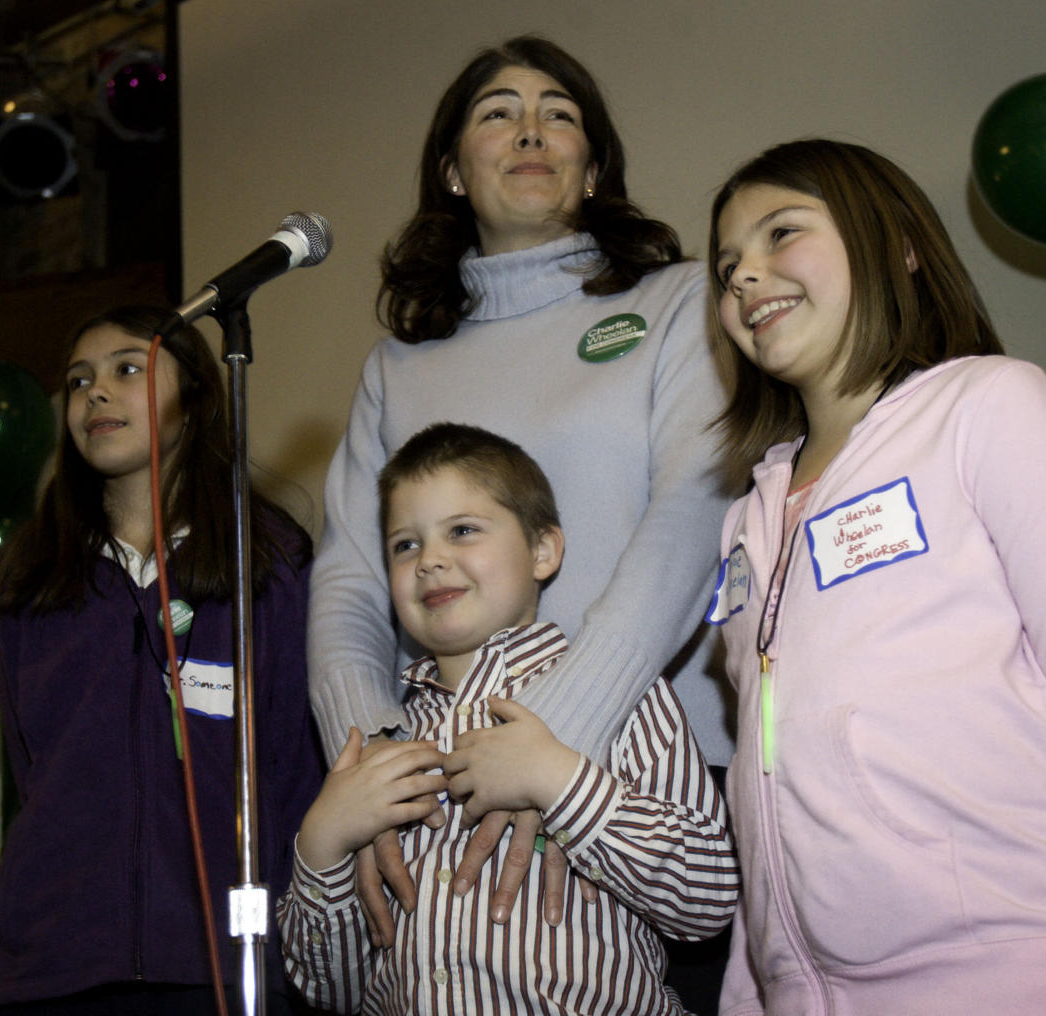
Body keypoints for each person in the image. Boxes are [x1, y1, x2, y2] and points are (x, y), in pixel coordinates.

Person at [703, 140, 1046, 1015]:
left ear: (897, 246)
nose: (745, 276)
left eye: (781, 233)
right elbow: (760, 780)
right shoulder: (747, 516)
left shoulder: (989, 407)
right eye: (726, 264)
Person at [306, 32, 733, 988]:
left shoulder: (676, 302)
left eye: (560, 113)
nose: (531, 128)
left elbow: (695, 508)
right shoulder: (397, 366)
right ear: (453, 171)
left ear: (592, 168)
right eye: (497, 112)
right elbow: (345, 578)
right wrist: (377, 762)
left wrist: (557, 738)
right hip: (444, 790)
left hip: (644, 781)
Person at [279, 423, 738, 1014]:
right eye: (405, 545)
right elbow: (328, 990)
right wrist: (320, 845)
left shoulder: (624, 700)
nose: (430, 561)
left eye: (463, 531)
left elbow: (705, 900)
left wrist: (560, 781)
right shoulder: (380, 754)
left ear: (543, 550)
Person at [0, 306, 323, 1013]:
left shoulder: (266, 561)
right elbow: (30, 770)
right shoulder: (35, 576)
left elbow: (294, 763)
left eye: (126, 370)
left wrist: (297, 933)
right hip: (58, 969)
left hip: (224, 966)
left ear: (196, 397)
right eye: (79, 381)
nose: (95, 393)